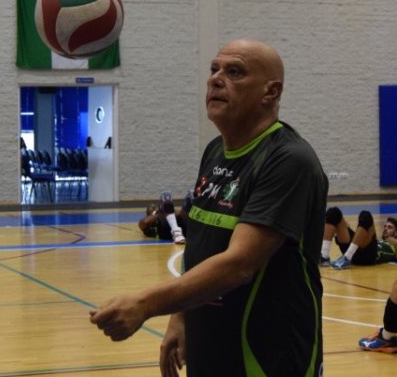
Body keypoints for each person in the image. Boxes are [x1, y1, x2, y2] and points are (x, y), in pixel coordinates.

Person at [91, 38, 328, 377]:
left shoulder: (289, 160)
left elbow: (239, 264)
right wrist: (180, 316)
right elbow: (200, 244)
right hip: (211, 349)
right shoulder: (216, 151)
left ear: (270, 92)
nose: (216, 79)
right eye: (214, 69)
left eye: (235, 72)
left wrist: (147, 304)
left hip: (268, 357)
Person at [322, 207, 397, 268]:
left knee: (365, 215)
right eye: (385, 227)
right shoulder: (379, 240)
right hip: (355, 251)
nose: (385, 229)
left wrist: (396, 246)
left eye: (389, 227)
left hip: (368, 256)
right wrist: (345, 228)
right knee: (334, 212)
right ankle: (324, 257)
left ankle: (346, 258)